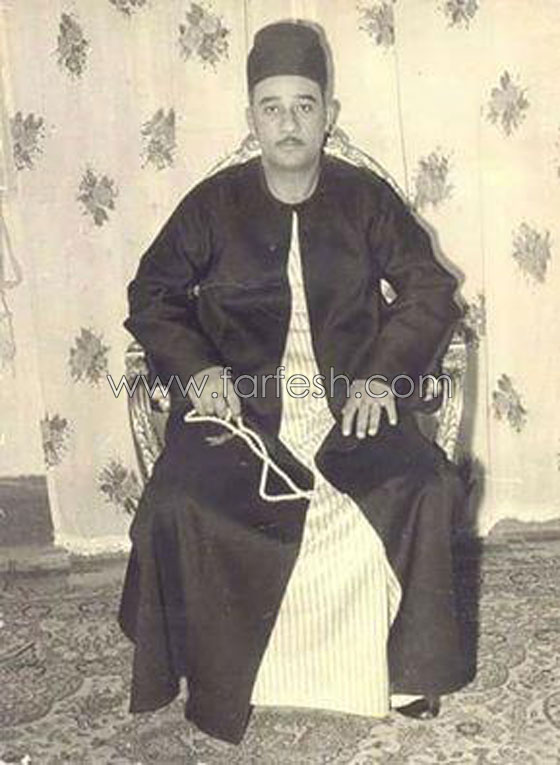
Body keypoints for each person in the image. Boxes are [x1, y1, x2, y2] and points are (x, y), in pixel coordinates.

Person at [118, 20, 471, 745]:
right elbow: (151, 295)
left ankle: (405, 672)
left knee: (425, 485)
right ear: (251, 117)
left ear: (327, 115)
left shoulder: (365, 198)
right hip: (240, 412)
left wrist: (381, 379)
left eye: (304, 106)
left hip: (351, 402)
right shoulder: (212, 204)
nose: (288, 123)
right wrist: (199, 370)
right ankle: (223, 675)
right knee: (178, 501)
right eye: (272, 107)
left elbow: (430, 290)